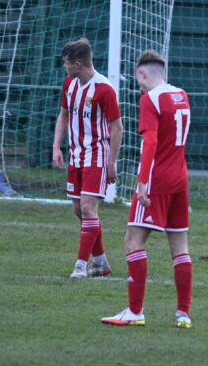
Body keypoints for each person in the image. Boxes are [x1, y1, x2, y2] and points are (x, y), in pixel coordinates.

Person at [101, 50, 193, 328]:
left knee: (133, 240)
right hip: (180, 177)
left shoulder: (150, 100)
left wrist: (142, 181)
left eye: (137, 78)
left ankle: (134, 311)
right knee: (179, 246)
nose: (137, 84)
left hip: (157, 179)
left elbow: (151, 143)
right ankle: (183, 314)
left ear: (143, 74)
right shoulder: (182, 96)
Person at [52, 38, 123, 279]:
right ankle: (101, 262)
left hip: (97, 157)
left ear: (78, 64)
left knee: (88, 207)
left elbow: (117, 128)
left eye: (66, 63)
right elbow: (63, 116)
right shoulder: (70, 84)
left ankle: (81, 266)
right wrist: (56, 147)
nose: (64, 67)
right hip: (76, 156)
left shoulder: (104, 89)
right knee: (78, 210)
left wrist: (111, 163)